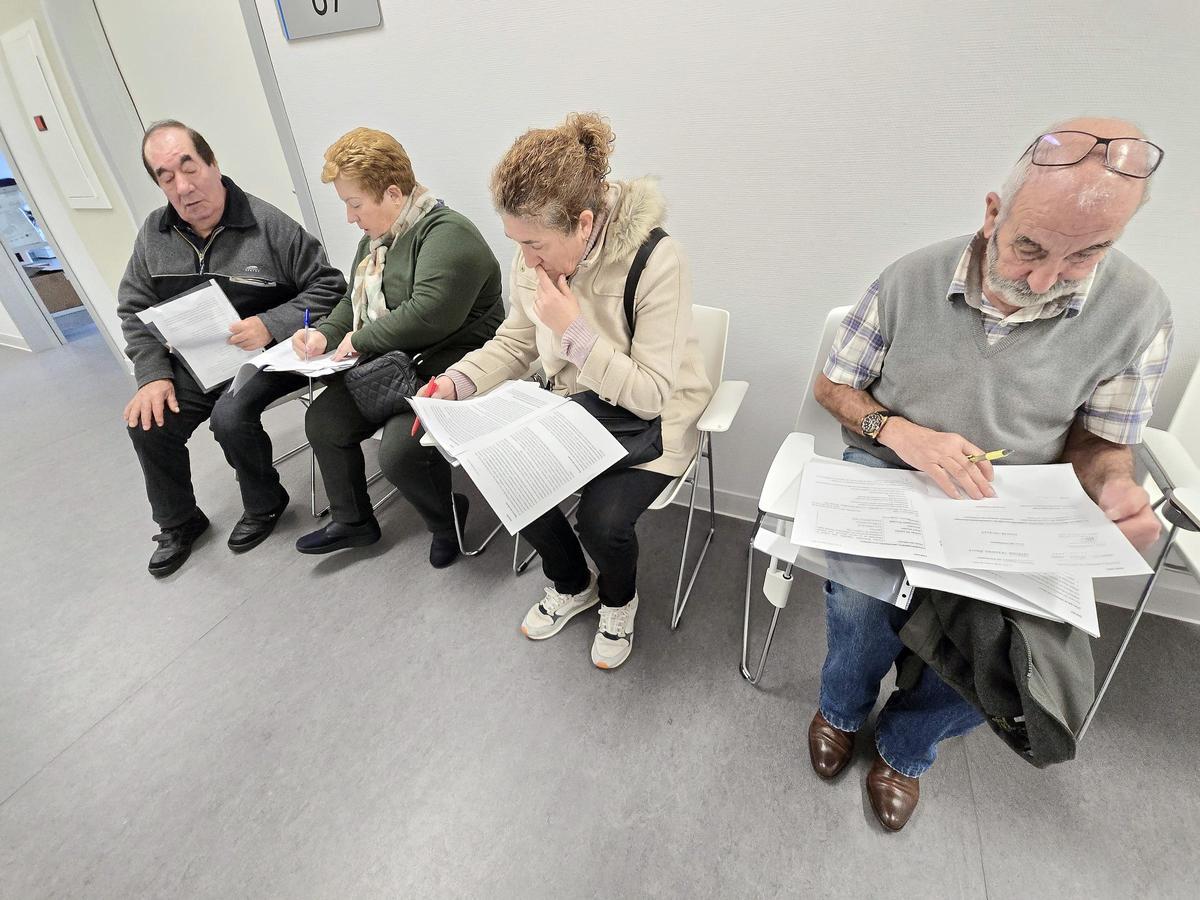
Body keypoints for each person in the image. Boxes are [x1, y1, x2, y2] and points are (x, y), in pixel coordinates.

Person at [809, 117, 1172, 831]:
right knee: (856, 605)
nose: (1042, 281)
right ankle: (842, 711)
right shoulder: (910, 278)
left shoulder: (1141, 313)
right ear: (992, 212)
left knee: (1015, 656)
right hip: (892, 475)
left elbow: (1099, 445)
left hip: (1015, 501)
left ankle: (905, 748)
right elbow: (834, 388)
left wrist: (1115, 486)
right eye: (1030, 246)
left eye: (1086, 256)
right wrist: (901, 432)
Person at [424, 113, 713, 669]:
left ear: (584, 223)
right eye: (517, 243)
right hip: (574, 411)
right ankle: (572, 582)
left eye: (535, 245)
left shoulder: (657, 259)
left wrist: (574, 332)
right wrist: (457, 381)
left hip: (652, 423)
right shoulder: (532, 250)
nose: (526, 260)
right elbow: (514, 342)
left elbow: (653, 395)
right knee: (506, 474)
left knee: (602, 522)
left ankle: (618, 599)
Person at [119, 120, 346, 578]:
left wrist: (270, 324)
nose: (183, 187)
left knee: (230, 414)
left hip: (266, 356)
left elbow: (330, 286)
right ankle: (179, 522)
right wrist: (152, 374)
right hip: (198, 360)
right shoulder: (153, 236)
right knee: (148, 422)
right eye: (166, 177)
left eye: (190, 168)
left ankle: (266, 503)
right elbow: (134, 309)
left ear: (213, 164)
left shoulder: (267, 224)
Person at [293, 128, 503, 566]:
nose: (351, 217)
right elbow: (351, 304)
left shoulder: (449, 235)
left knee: (399, 452)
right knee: (323, 421)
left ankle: (448, 519)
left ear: (392, 192)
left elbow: (430, 314)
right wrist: (325, 335)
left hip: (454, 363)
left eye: (355, 204)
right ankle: (354, 522)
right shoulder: (376, 243)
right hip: (396, 364)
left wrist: (359, 340)